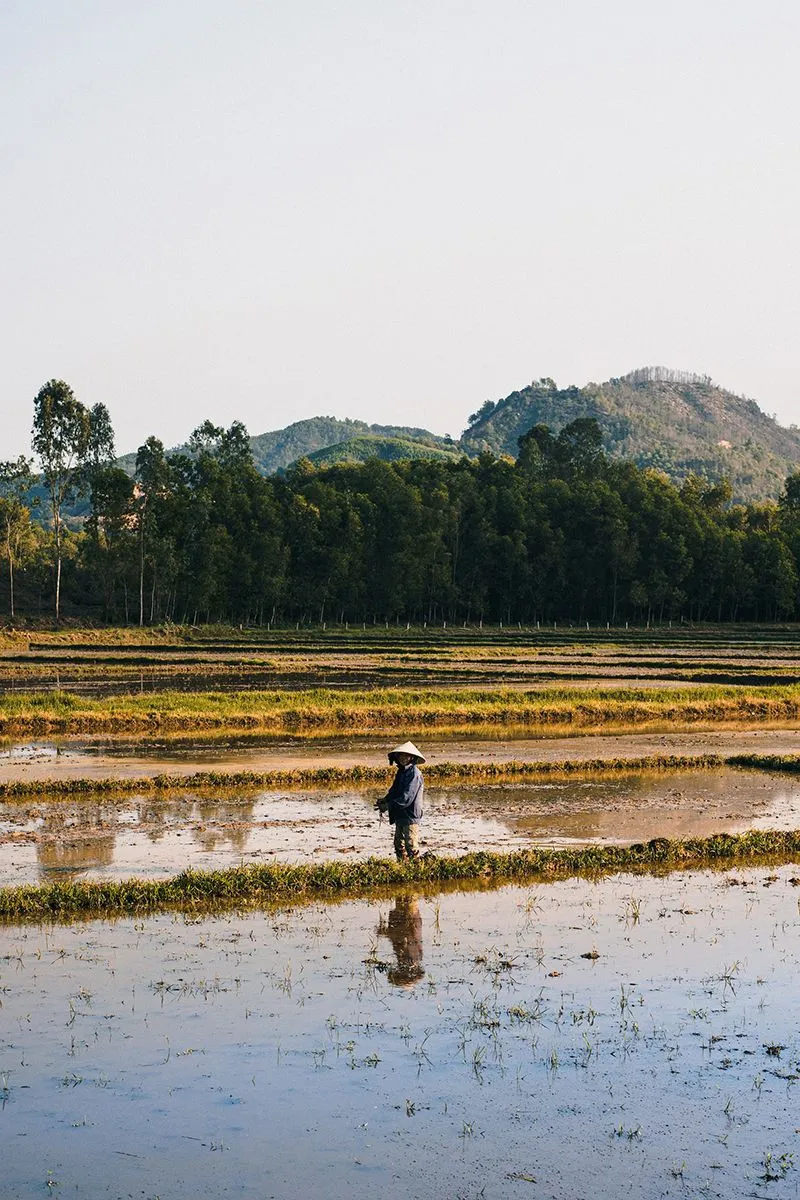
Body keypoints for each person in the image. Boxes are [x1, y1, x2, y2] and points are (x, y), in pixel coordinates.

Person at [376, 740, 425, 861]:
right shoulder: (401, 772)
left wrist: (388, 806)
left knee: (410, 844)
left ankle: (416, 869)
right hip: (400, 813)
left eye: (406, 755)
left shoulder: (415, 774)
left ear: (411, 757)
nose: (403, 758)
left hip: (410, 814)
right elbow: (394, 791)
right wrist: (385, 800)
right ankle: (402, 866)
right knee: (398, 843)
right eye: (400, 755)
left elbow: (406, 798)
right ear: (397, 757)